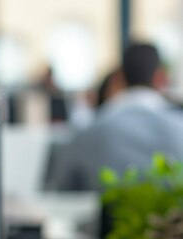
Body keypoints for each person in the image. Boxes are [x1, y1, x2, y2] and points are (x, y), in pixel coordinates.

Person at [47, 42, 183, 192]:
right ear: (161, 77)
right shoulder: (179, 129)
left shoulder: (85, 133)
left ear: (119, 77)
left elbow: (60, 193)